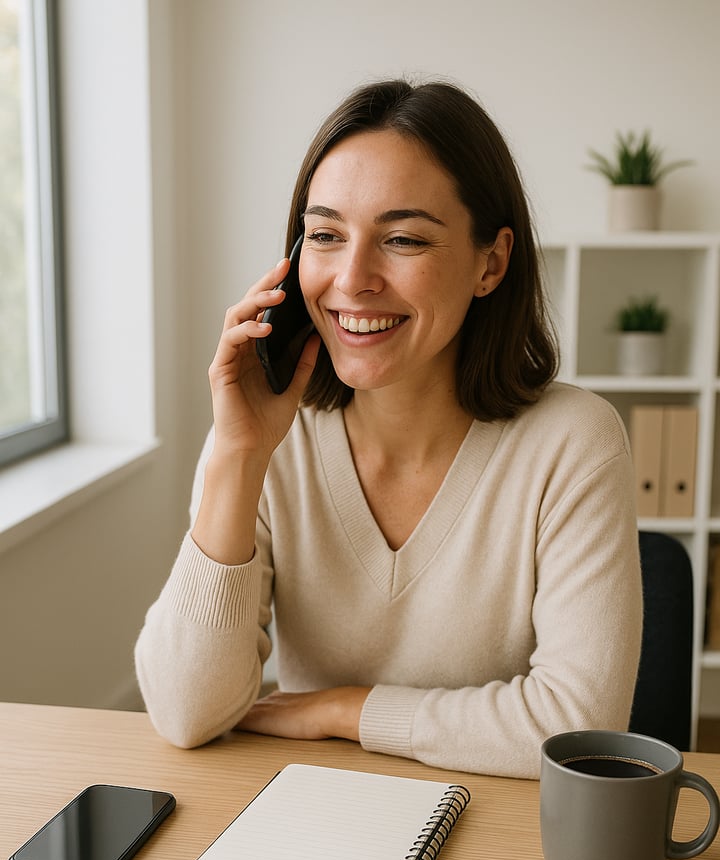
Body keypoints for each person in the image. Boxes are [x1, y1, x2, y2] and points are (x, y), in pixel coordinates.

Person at [135, 78, 642, 778]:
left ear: (490, 263)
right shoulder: (269, 438)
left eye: (402, 238)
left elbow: (578, 729)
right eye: (325, 235)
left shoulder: (574, 442)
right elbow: (185, 712)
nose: (353, 278)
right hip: (311, 819)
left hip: (500, 838)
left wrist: (343, 710)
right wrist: (237, 452)